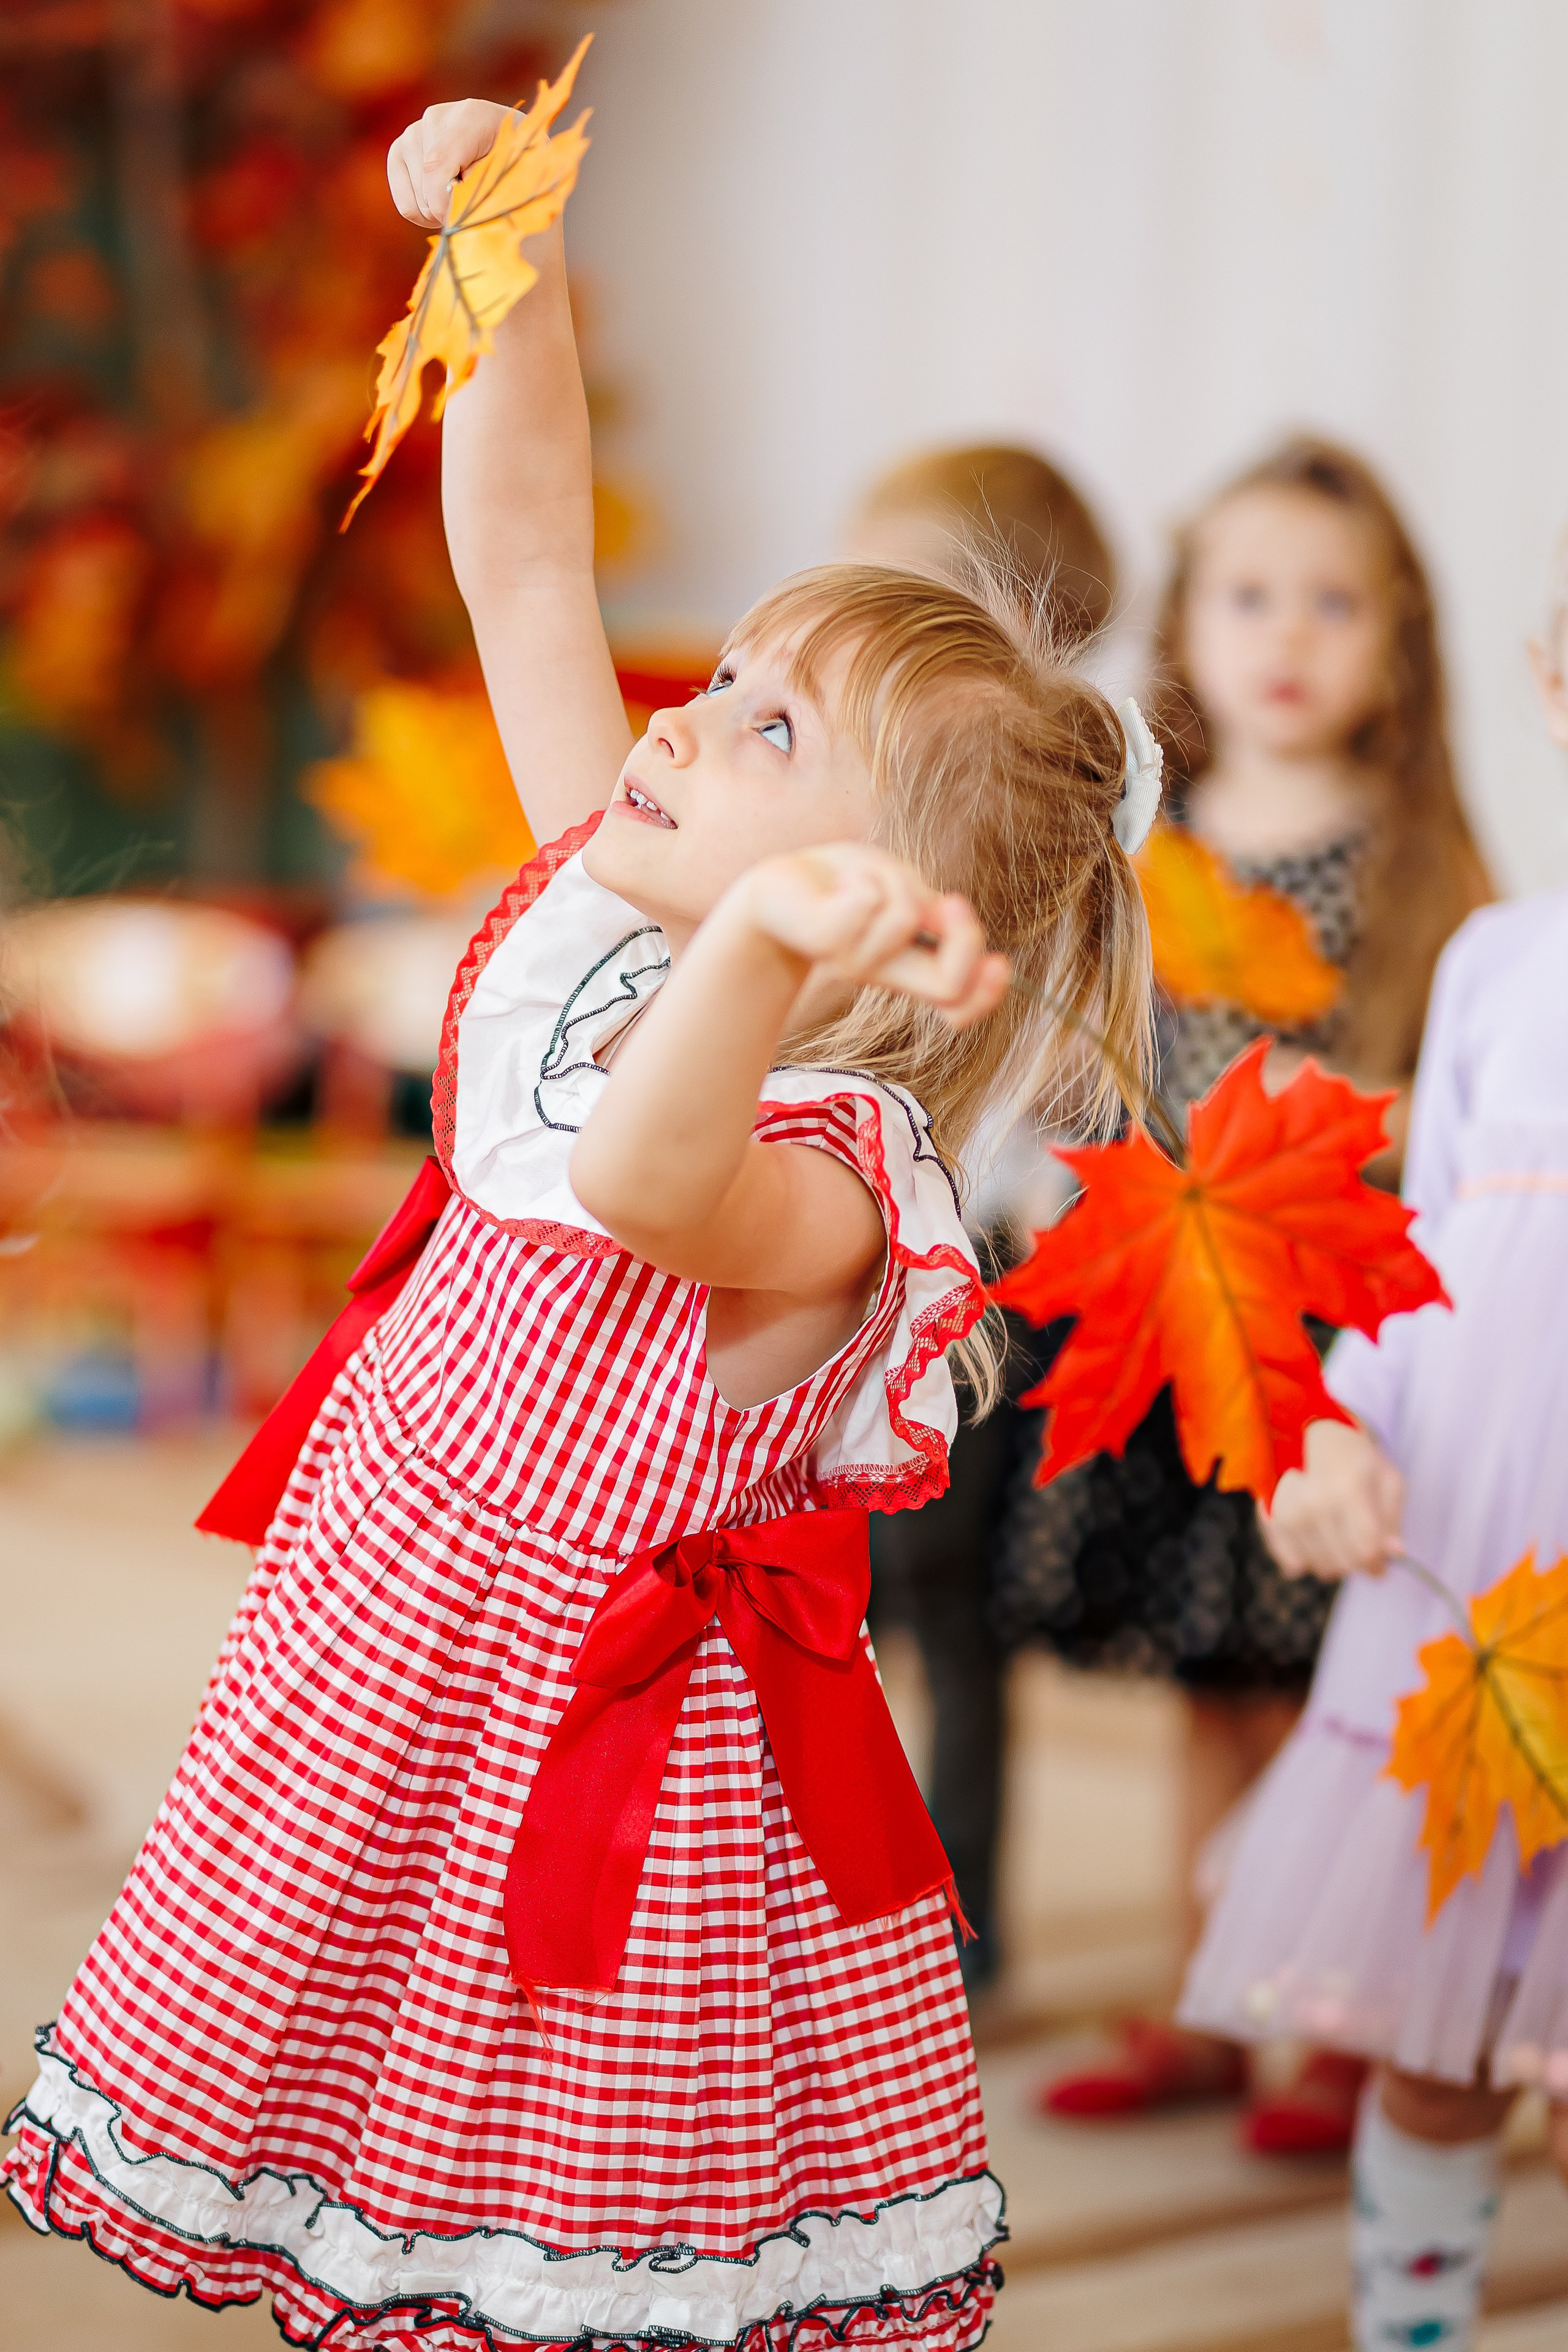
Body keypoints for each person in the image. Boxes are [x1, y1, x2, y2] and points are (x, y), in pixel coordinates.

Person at [1, 99, 1159, 2352]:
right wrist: (501, 258)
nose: (691, 723)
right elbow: (524, 557)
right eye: (723, 680)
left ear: (868, 901)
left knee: (531, 2154)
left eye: (769, 731)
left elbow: (645, 1177)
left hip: (578, 1733)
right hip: (387, 1615)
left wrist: (756, 953)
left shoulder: (834, 1183)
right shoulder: (611, 913)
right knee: (330, 2055)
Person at [1005, 438, 1490, 2149]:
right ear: (1187, 624)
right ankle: (1213, 1994)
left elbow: (1473, 1104)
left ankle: (1331, 2013)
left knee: (1321, 1681)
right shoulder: (1154, 851)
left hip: (1333, 1341)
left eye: (1337, 602)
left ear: (1401, 646)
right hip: (1175, 1315)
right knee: (1212, 1684)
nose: (1290, 636)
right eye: (1250, 595)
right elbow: (1088, 1062)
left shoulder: (1417, 868)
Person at [1176, 539, 1568, 2352]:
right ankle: (1413, 2324)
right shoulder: (1497, 962)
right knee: (1437, 2007)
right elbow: (1423, 1264)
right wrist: (1325, 1431)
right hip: (1476, 1528)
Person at [842, 442, 1121, 1994]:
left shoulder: (1034, 821)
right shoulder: (856, 794)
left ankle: (954, 1916)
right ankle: (820, 1904)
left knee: (945, 1596)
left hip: (975, 1258)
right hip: (852, 1232)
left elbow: (1067, 1062)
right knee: (835, 1598)